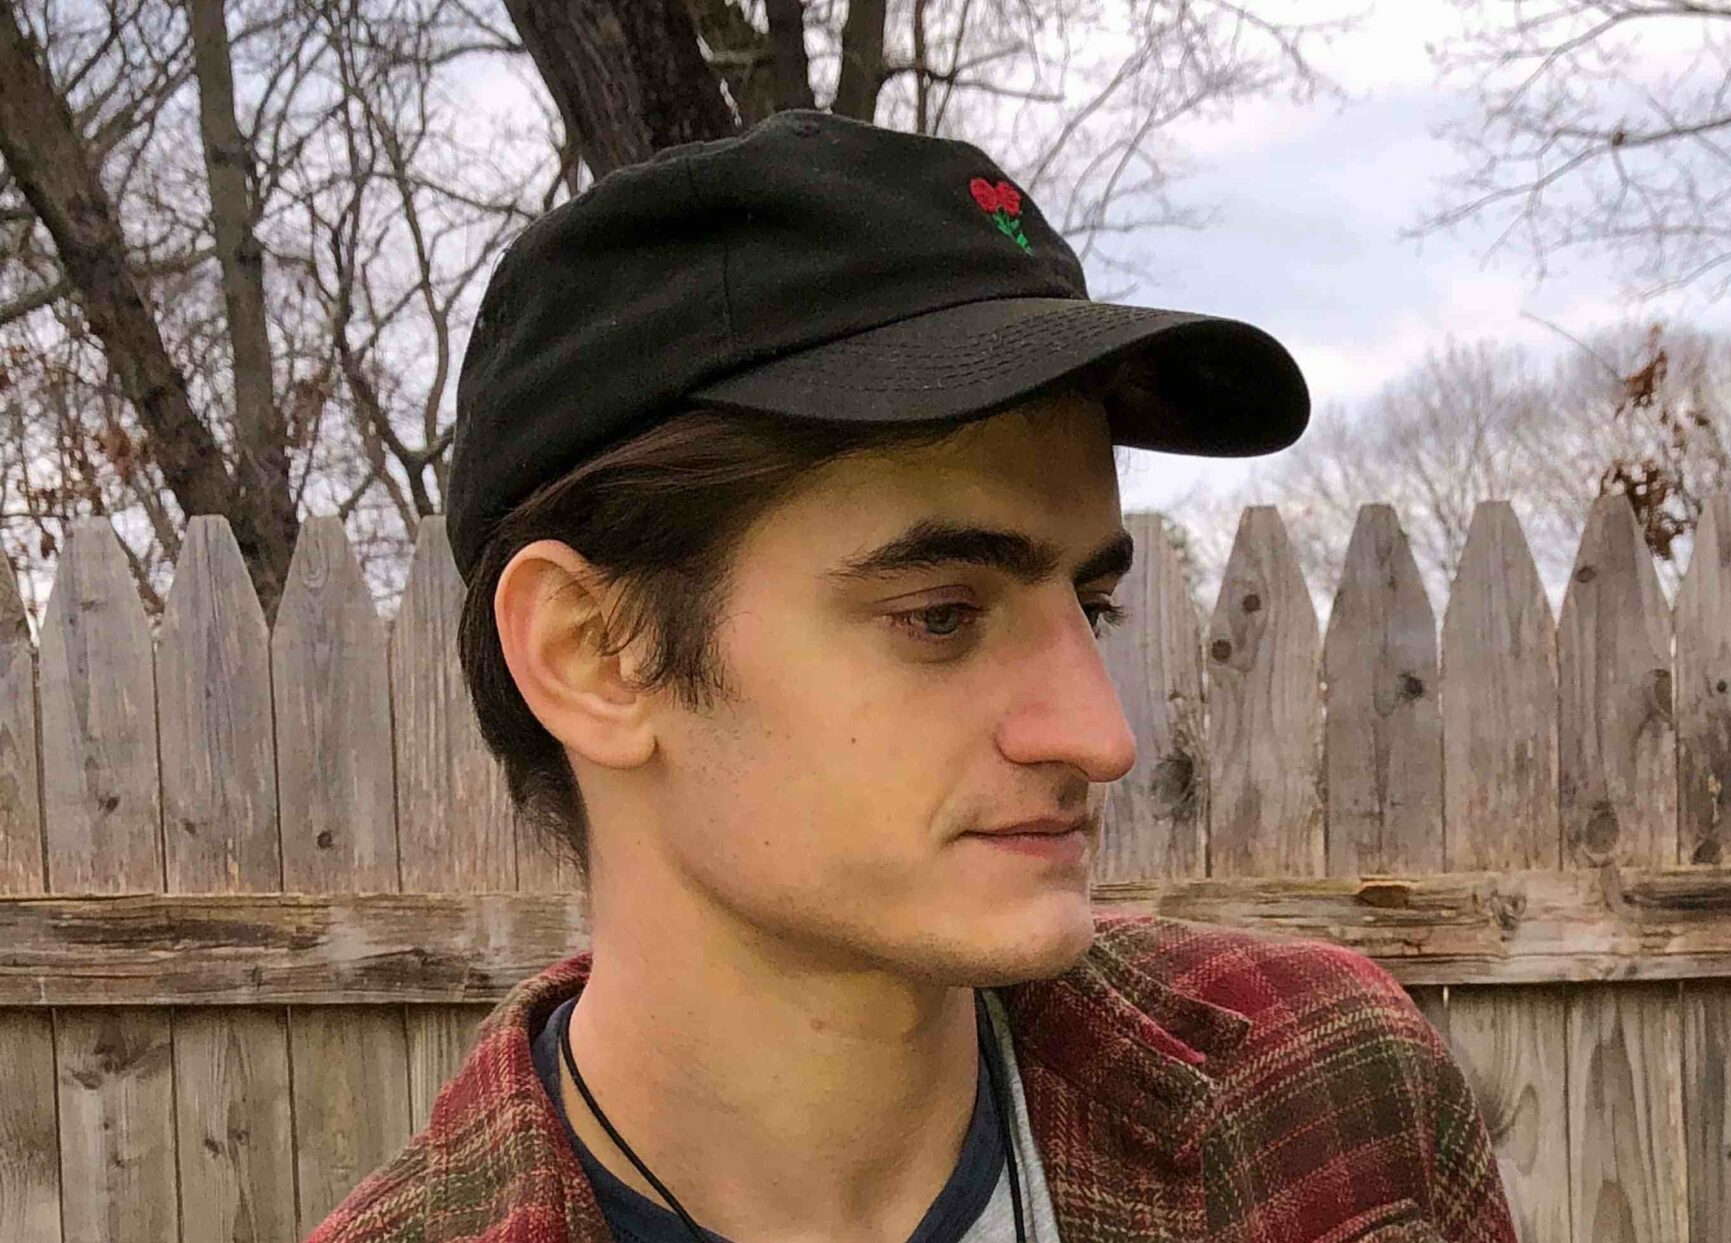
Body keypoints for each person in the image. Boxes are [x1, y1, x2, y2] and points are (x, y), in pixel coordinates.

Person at [307, 110, 1518, 1243]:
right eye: (940, 616)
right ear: (593, 655)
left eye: (1093, 607)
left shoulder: (1326, 1103)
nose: (1100, 735)